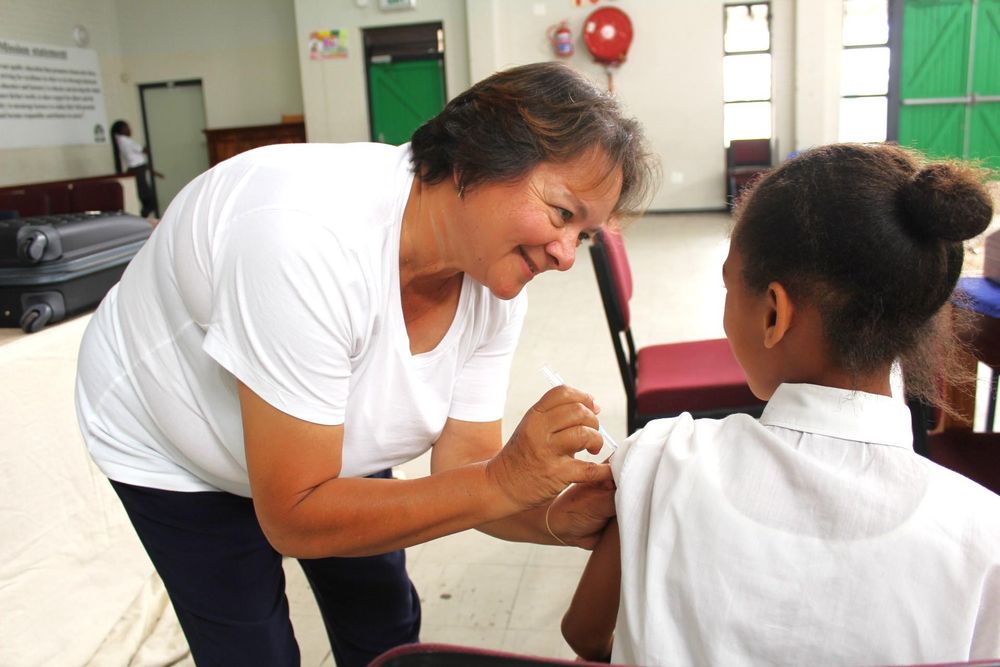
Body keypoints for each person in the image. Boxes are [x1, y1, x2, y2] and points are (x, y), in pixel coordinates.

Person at [77, 62, 657, 667]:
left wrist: (558, 518)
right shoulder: (305, 239)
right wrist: (502, 483)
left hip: (324, 439)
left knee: (384, 620)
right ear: (476, 159)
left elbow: (467, 470)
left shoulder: (493, 279)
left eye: (585, 235)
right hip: (174, 437)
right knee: (250, 646)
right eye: (563, 214)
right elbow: (297, 516)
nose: (566, 256)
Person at [561, 143, 1000, 665]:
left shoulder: (661, 459)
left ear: (774, 314)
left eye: (728, 288)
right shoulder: (983, 536)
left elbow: (585, 634)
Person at [110, 119, 163, 217]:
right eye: (127, 127)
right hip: (137, 170)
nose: (130, 129)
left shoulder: (121, 140)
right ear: (121, 130)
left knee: (148, 199)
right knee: (149, 200)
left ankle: (143, 218)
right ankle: (142, 219)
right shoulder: (125, 141)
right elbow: (144, 151)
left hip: (138, 169)